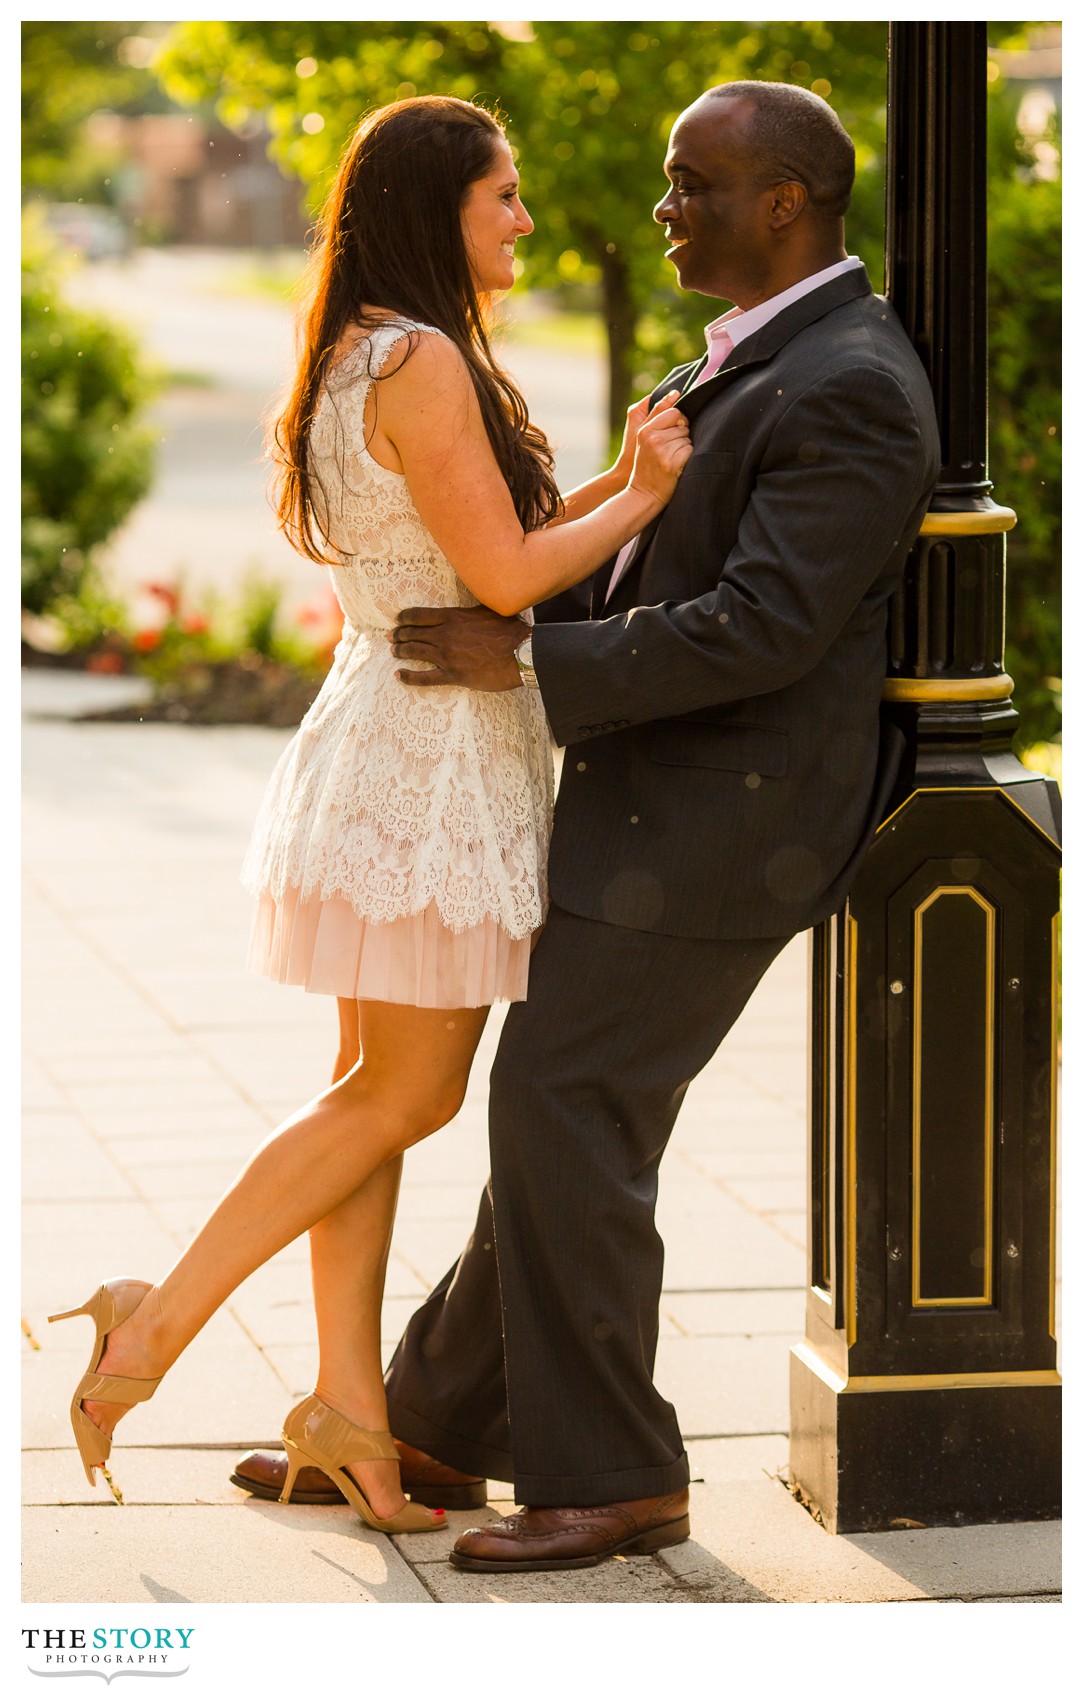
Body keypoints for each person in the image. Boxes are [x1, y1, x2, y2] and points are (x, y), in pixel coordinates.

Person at [233, 79, 941, 1572]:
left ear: (785, 205)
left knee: (568, 1109)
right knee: (557, 1111)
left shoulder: (854, 379)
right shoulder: (777, 357)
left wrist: (530, 659)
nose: (663, 210)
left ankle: (619, 1475)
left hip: (726, 826)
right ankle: (435, 1413)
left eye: (694, 187)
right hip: (659, 802)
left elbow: (768, 625)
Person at [47, 94, 691, 1537]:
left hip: (380, 740)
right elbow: (515, 579)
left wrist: (618, 486)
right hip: (431, 761)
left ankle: (352, 1414)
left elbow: (476, 551)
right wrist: (645, 496)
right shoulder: (425, 361)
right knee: (404, 1096)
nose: (524, 219)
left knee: (365, 1098)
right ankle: (153, 1326)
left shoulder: (358, 348)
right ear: (436, 205)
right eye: (503, 196)